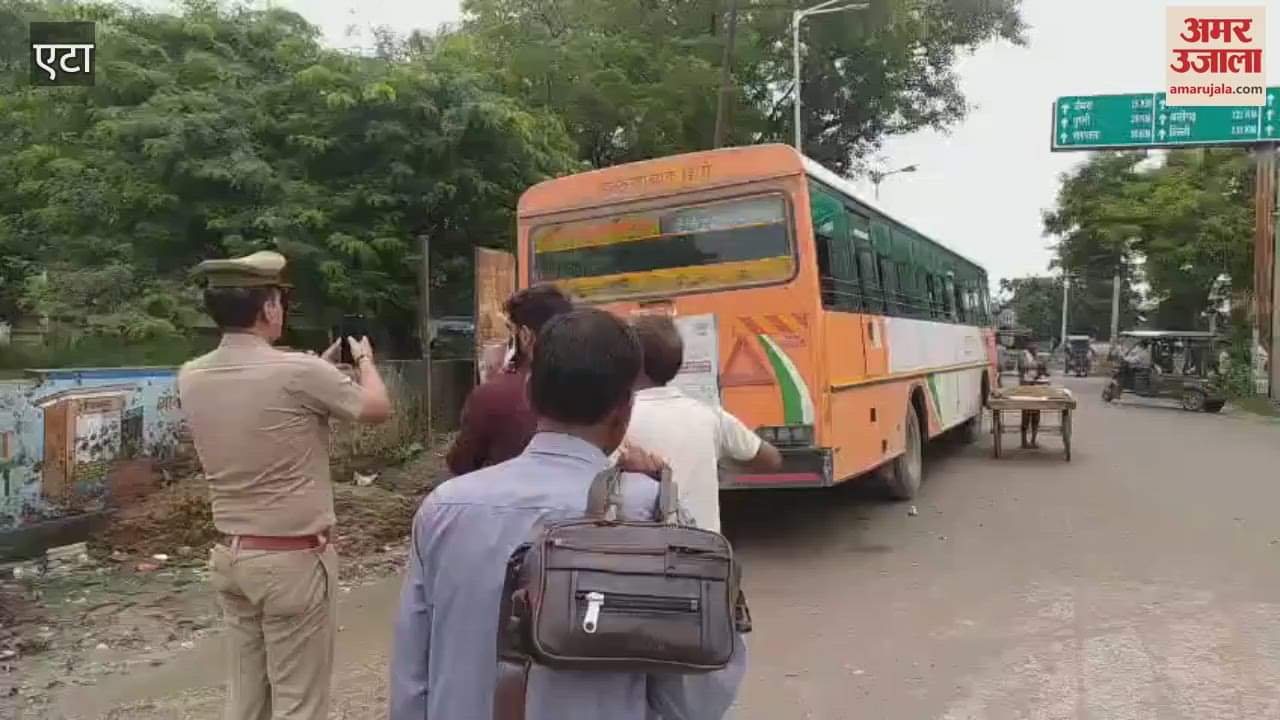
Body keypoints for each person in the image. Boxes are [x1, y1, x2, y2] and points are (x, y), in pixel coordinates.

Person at [389, 308, 746, 720]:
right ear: (624, 410)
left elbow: (412, 679)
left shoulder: (443, 509)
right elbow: (696, 696)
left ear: (529, 394)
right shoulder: (647, 512)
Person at [178, 251, 392, 720]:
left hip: (232, 556)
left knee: (247, 699)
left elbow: (264, 403)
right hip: (290, 562)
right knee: (300, 703)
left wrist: (316, 368)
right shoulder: (299, 372)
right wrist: (365, 361)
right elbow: (375, 409)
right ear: (269, 309)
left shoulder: (191, 375)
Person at [624, 314, 782, 531]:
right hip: (704, 554)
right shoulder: (710, 416)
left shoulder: (614, 422)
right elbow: (771, 459)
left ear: (629, 363)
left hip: (644, 555)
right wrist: (720, 462)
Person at [445, 283, 573, 475]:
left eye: (509, 332)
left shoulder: (493, 395)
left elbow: (461, 464)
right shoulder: (599, 384)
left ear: (525, 336)